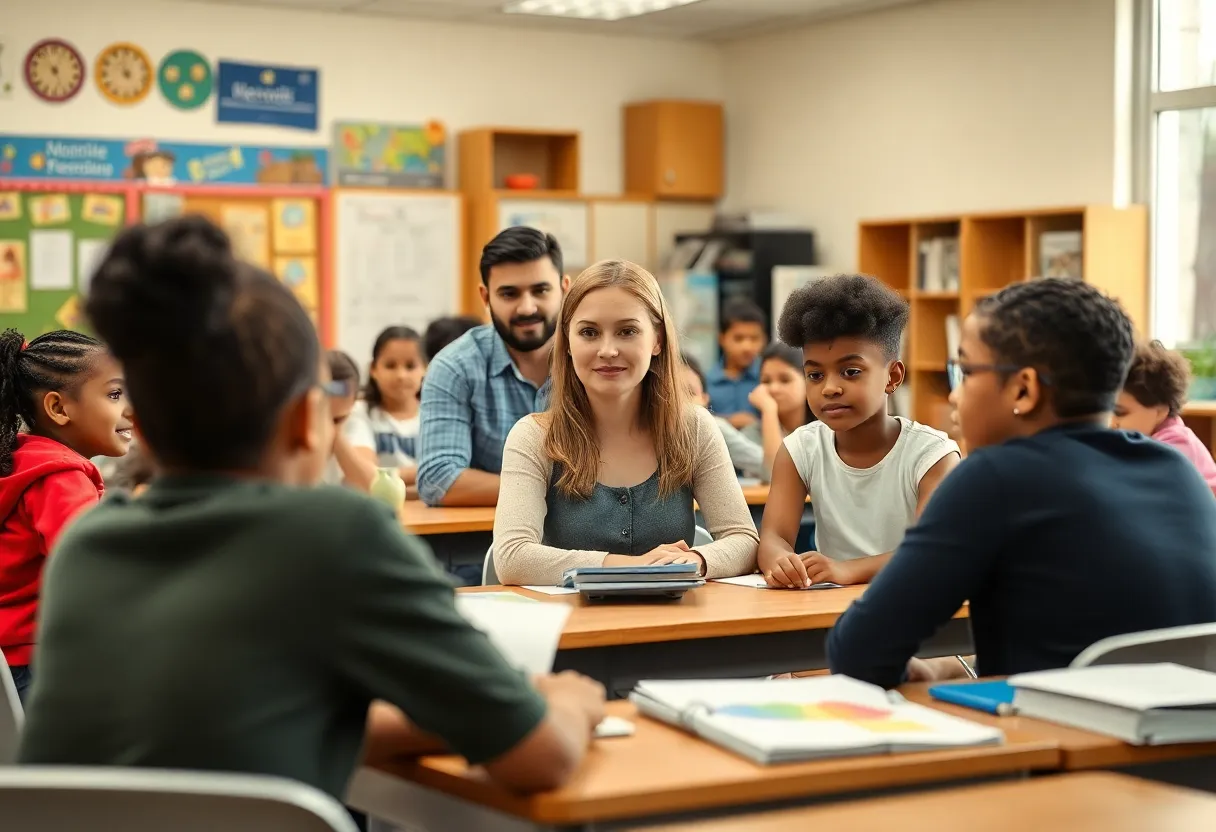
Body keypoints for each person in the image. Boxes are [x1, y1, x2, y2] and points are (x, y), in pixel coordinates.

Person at [18, 216, 606, 799]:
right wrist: (569, 701)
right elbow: (542, 756)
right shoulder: (336, 534)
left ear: (140, 425)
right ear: (310, 420)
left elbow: (239, 729)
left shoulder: (88, 546)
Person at [826, 279, 1216, 688]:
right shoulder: (1176, 468)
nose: (955, 397)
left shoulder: (993, 476)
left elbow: (858, 653)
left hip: (1053, 738)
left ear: (1024, 390)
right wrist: (953, 668)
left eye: (966, 371)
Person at [493, 260, 759, 586]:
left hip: (676, 624)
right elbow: (512, 557)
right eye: (589, 332)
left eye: (627, 331)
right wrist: (629, 567)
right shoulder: (533, 437)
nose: (608, 350)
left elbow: (744, 539)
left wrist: (697, 559)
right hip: (573, 628)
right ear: (568, 343)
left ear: (657, 340)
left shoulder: (695, 427)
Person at [760, 274, 959, 589]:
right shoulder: (801, 449)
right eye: (814, 374)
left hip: (913, 604)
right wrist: (781, 560)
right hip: (827, 607)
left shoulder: (933, 456)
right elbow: (774, 537)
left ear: (892, 377)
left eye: (850, 372)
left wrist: (848, 570)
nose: (830, 388)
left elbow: (930, 551)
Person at [0, 328, 132, 702]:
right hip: (30, 663)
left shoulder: (21, 459)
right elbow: (91, 567)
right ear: (58, 408)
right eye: (115, 394)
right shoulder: (61, 476)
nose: (131, 410)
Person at [417, 228, 568, 507]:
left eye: (540, 290)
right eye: (509, 294)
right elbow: (438, 480)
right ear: (485, 297)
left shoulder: (597, 359)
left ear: (564, 288)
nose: (526, 307)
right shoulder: (454, 367)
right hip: (485, 542)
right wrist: (553, 491)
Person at [1113, 339, 1216, 494]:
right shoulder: (1147, 436)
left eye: (1120, 413)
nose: (1111, 422)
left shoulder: (1175, 444)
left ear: (1160, 411)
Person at [343, 327, 425, 492]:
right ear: (373, 369)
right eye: (390, 365)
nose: (401, 375)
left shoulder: (436, 413)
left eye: (410, 366)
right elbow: (365, 475)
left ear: (425, 368)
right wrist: (429, 472)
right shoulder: (359, 412)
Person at [682, 352, 766, 481]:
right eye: (669, 392)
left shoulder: (714, 428)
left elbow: (768, 467)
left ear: (704, 399)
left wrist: (769, 410)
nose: (680, 400)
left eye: (689, 392)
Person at [745, 342, 816, 475]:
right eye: (766, 381)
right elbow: (776, 475)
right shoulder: (751, 434)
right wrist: (769, 411)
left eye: (785, 380)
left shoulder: (825, 431)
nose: (774, 389)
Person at [707, 298, 768, 429]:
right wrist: (729, 421)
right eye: (738, 338)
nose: (747, 346)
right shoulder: (706, 383)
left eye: (754, 338)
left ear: (764, 340)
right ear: (722, 338)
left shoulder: (768, 380)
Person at [324, 349, 369, 488]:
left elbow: (368, 484)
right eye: (322, 416)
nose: (327, 426)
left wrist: (336, 435)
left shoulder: (356, 420)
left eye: (337, 420)